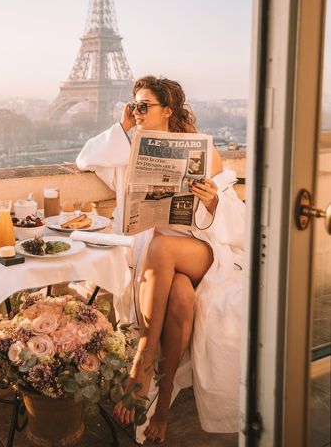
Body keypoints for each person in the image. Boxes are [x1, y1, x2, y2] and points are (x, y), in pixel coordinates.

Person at [76, 76, 245, 444]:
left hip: (200, 249)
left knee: (163, 247)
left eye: (144, 106)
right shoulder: (128, 150)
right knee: (181, 296)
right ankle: (164, 400)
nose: (136, 112)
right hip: (161, 261)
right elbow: (85, 158)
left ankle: (143, 360)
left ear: (168, 110)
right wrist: (122, 125)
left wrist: (212, 199)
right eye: (132, 106)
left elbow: (235, 219)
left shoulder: (207, 152)